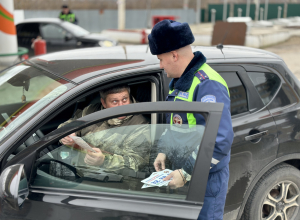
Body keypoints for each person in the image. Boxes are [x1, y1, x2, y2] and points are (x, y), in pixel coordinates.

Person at [148, 20, 234, 220]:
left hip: (206, 179)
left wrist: (186, 172)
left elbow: (219, 140)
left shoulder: (207, 84)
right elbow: (176, 126)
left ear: (174, 55)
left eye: (161, 59)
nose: (160, 66)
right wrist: (163, 150)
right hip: (183, 174)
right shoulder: (178, 83)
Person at [58, 85, 151, 173]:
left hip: (109, 182)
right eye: (115, 102)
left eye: (125, 99)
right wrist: (65, 133)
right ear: (104, 103)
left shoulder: (140, 125)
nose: (122, 106)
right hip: (76, 169)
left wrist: (104, 160)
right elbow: (69, 125)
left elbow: (138, 162)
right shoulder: (91, 111)